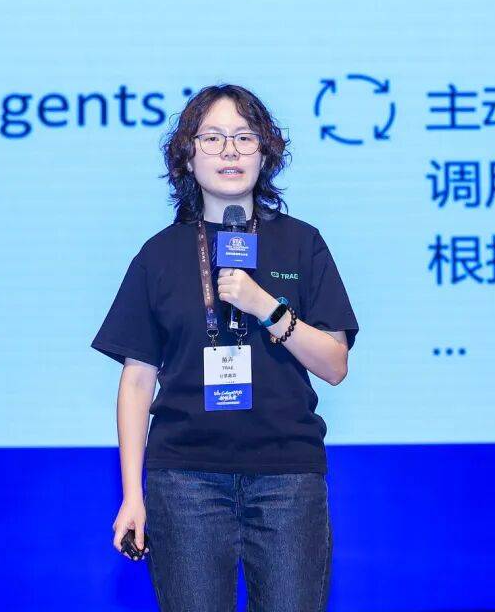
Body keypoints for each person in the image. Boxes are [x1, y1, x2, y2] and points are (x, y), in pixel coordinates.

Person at [91, 83, 359, 611]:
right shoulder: (159, 255)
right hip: (185, 481)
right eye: (212, 138)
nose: (230, 151)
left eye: (244, 137)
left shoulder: (302, 244)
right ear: (187, 157)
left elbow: (335, 364)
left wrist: (267, 307)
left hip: (287, 478)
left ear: (265, 152)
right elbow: (137, 381)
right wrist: (132, 495)